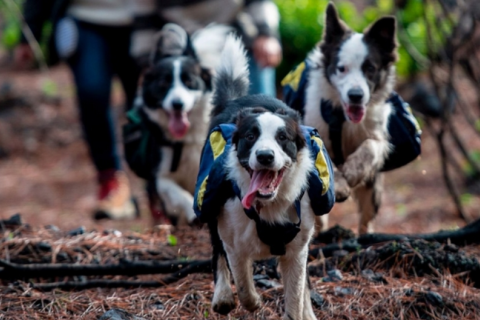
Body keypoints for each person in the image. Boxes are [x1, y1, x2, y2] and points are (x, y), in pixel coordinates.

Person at [15, 0, 141, 220]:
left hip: (143, 22)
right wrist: (29, 33)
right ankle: (110, 182)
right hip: (85, 19)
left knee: (145, 104)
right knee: (91, 93)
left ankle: (157, 190)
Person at [131, 0, 282, 96]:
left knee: (261, 111)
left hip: (239, 41)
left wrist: (267, 34)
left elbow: (259, 3)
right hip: (183, 52)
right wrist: (146, 65)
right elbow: (145, 22)